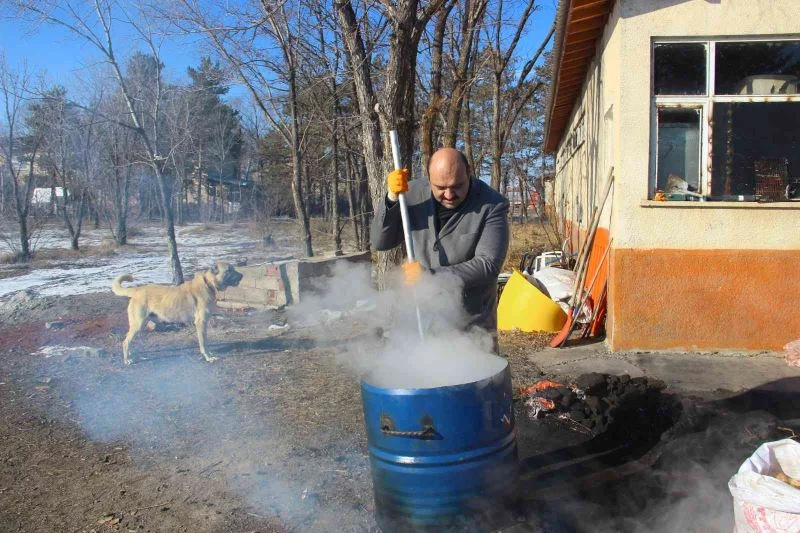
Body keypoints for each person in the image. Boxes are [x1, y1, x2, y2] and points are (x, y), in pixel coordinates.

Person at [370, 147, 510, 340]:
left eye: (457, 186)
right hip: (420, 318)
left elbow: (488, 264)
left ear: (469, 173)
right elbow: (381, 242)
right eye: (441, 188)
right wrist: (391, 199)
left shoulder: (492, 205)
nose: (449, 195)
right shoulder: (410, 194)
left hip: (471, 325)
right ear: (429, 179)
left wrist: (431, 276)